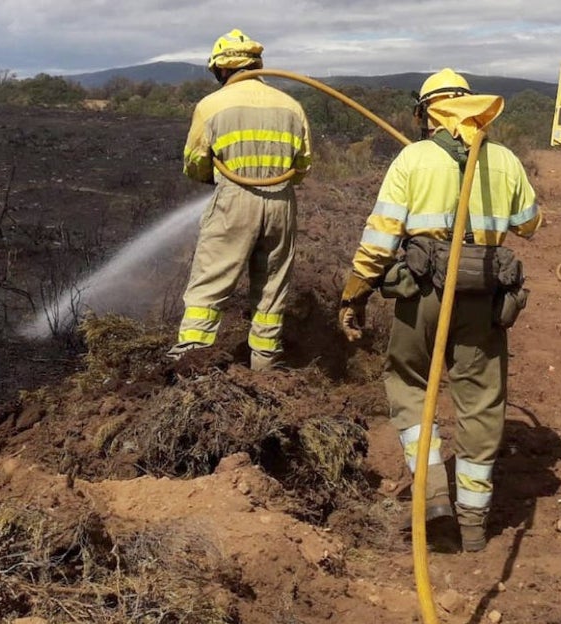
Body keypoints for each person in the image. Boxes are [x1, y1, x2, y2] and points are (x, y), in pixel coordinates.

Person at [337, 69, 541, 551]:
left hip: (423, 295)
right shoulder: (506, 160)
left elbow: (381, 235)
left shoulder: (413, 159)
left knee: (408, 382)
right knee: (481, 400)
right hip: (482, 301)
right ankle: (474, 523)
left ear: (425, 113)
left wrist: (355, 291)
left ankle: (431, 491)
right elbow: (530, 225)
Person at [169, 29, 312, 370]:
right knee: (271, 286)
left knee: (210, 283)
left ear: (221, 70)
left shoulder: (211, 105)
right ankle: (265, 364)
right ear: (258, 65)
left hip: (233, 202)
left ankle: (192, 362)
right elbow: (303, 165)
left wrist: (217, 177)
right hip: (281, 202)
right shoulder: (291, 106)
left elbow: (195, 162)